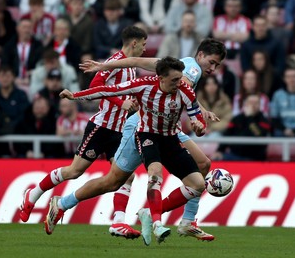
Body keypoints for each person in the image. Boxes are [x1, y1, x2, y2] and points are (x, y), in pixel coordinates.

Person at [72, 38, 226, 241]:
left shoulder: (181, 63)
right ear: (200, 56)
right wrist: (196, 115)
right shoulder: (193, 70)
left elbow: (136, 61)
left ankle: (186, 221)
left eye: (217, 65)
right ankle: (68, 202)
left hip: (166, 126)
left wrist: (103, 65)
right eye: (212, 62)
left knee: (203, 164)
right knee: (115, 180)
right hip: (146, 124)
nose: (213, 68)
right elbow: (183, 87)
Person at [47, 57, 207, 247]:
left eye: (180, 79)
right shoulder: (144, 85)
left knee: (198, 181)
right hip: (142, 133)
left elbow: (197, 116)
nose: (179, 83)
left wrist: (199, 126)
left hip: (170, 137)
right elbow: (108, 90)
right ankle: (63, 204)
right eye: (174, 80)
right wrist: (76, 96)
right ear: (161, 78)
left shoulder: (184, 90)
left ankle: (156, 218)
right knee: (114, 181)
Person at [19, 26, 147, 241]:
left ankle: (118, 222)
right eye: (143, 43)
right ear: (134, 43)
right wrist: (120, 102)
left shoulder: (131, 67)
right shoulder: (115, 62)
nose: (145, 48)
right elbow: (96, 85)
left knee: (127, 175)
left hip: (119, 130)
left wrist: (132, 104)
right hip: (101, 127)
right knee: (74, 171)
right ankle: (33, 195)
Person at [212, 94, 270, 161]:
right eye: (251, 102)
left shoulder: (264, 120)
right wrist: (220, 150)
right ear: (245, 104)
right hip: (234, 155)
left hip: (255, 158)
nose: (253, 105)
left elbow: (259, 135)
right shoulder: (237, 119)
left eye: (256, 103)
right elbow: (227, 134)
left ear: (260, 105)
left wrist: (249, 118)